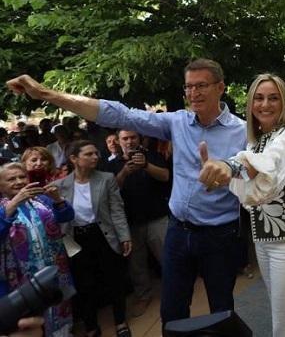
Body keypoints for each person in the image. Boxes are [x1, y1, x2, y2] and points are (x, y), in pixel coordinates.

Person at [6, 58, 247, 326]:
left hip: (219, 235)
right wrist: (45, 93)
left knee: (222, 311)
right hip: (178, 232)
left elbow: (256, 179)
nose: (193, 93)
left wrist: (228, 172)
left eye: (201, 85)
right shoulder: (177, 122)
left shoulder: (242, 132)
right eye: (188, 87)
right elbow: (118, 114)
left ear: (221, 87)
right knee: (172, 312)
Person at [202, 73, 285, 336]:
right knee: (282, 314)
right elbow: (251, 193)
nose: (265, 104)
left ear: (284, 102)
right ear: (251, 103)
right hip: (264, 239)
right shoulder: (255, 139)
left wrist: (229, 166)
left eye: (273, 98)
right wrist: (221, 177)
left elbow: (270, 168)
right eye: (259, 98)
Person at [52, 140, 131, 337]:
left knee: (114, 280)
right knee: (84, 284)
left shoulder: (106, 178)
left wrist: (124, 236)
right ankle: (91, 327)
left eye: (96, 153)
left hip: (103, 235)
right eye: (88, 154)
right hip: (76, 239)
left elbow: (116, 210)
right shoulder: (59, 186)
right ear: (74, 159)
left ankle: (121, 322)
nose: (95, 157)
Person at [0, 162, 75, 336]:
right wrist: (15, 202)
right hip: (20, 278)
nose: (19, 181)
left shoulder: (40, 199)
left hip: (52, 267)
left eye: (22, 177)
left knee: (60, 309)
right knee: (32, 321)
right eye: (11, 179)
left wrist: (57, 199)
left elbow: (67, 216)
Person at [104, 129, 170, 317]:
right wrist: (124, 173)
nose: (130, 141)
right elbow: (109, 192)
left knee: (168, 257)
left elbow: (165, 176)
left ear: (139, 138)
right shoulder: (112, 165)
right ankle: (143, 296)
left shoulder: (152, 156)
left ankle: (177, 288)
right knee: (136, 264)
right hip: (129, 222)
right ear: (118, 141)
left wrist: (146, 166)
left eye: (133, 137)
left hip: (157, 217)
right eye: (125, 138)